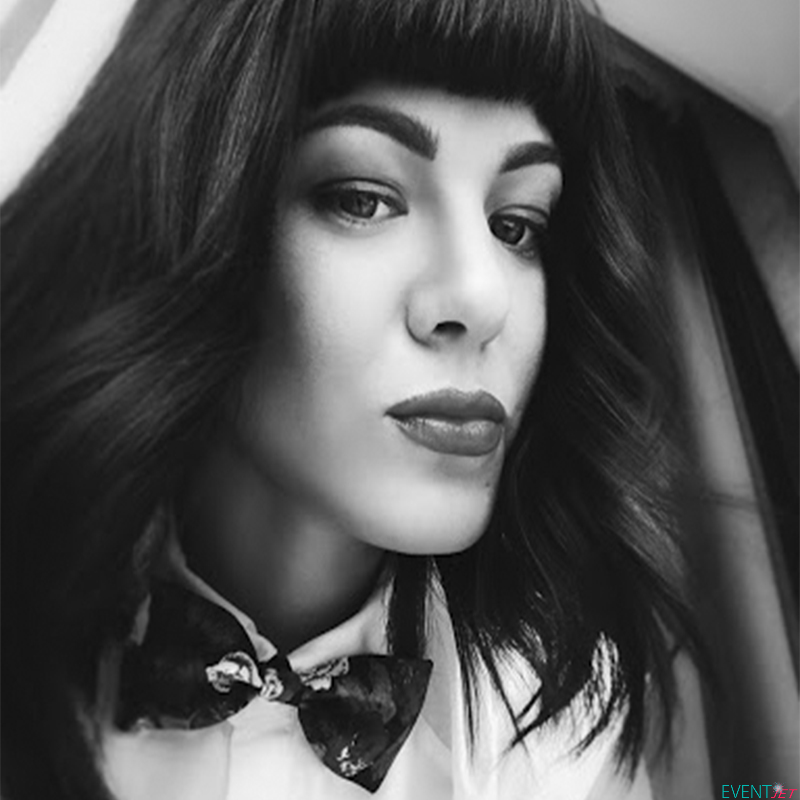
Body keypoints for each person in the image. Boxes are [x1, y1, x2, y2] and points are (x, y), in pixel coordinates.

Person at [1, 0, 708, 798]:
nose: (482, 298)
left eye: (517, 225)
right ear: (186, 210)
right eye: (363, 198)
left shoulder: (558, 722)